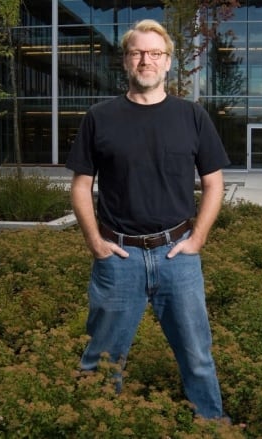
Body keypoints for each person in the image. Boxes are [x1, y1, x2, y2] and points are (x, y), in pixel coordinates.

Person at [65, 18, 230, 420]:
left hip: (179, 256)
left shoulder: (192, 117)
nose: (146, 60)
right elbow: (80, 186)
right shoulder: (99, 117)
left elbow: (214, 184)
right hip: (118, 258)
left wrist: (197, 240)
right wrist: (95, 243)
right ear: (125, 61)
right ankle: (97, 425)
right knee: (101, 360)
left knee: (197, 355)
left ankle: (211, 425)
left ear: (168, 63)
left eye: (155, 53)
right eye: (138, 53)